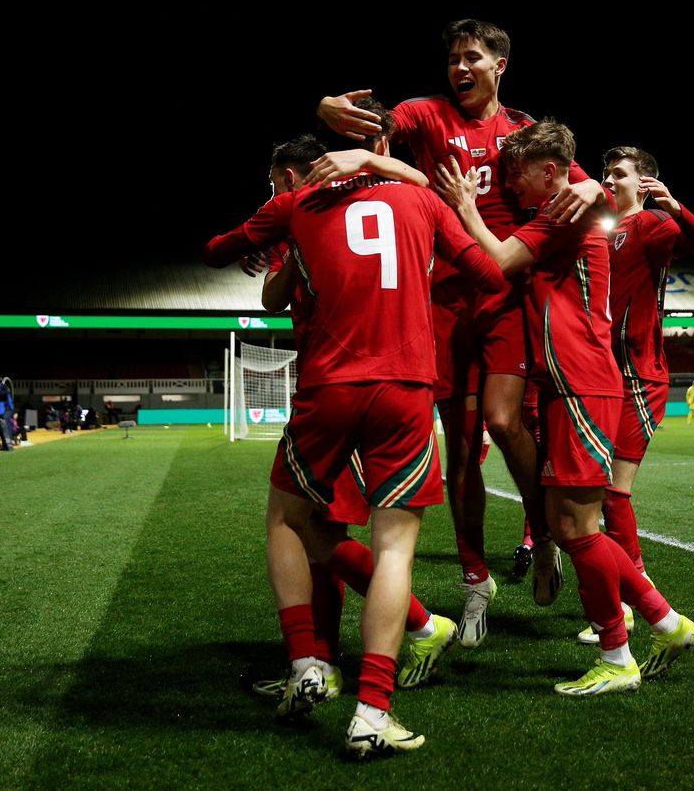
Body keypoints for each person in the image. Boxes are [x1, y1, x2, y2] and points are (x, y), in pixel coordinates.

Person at [206, 99, 505, 757]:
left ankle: (312, 663)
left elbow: (219, 252)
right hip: (404, 386)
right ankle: (372, 702)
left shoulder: (299, 207)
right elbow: (489, 275)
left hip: (330, 385)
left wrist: (272, 233)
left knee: (298, 522)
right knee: (381, 543)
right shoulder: (419, 204)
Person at [318, 19, 607, 648]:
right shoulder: (426, 114)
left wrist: (587, 189)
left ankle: (545, 532)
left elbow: (579, 177)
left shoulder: (519, 130)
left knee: (505, 422)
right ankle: (477, 580)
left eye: (472, 56)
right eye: (452, 57)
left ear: (501, 64)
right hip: (442, 297)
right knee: (462, 445)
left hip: (502, 293)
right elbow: (380, 124)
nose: (459, 67)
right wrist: (330, 110)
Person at [437, 119, 694, 696]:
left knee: (579, 527)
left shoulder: (563, 211)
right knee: (570, 524)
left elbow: (496, 264)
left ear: (549, 172)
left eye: (516, 174)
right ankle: (664, 622)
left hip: (584, 383)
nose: (507, 185)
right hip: (568, 386)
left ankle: (620, 653)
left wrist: (463, 208)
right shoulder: (571, 207)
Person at [246, 133, 459, 704]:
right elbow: (271, 296)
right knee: (317, 530)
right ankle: (392, 635)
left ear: (293, 177)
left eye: (275, 186)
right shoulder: (304, 221)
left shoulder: (367, 208)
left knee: (319, 529)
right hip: (331, 383)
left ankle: (329, 660)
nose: (272, 196)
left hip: (359, 381)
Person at [570, 145, 694, 645]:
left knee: (613, 492)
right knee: (588, 493)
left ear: (645, 182)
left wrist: (673, 207)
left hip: (639, 377)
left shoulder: (651, 226)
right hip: (601, 374)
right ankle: (626, 598)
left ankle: (636, 600)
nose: (608, 180)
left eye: (619, 174)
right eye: (605, 172)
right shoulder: (600, 228)